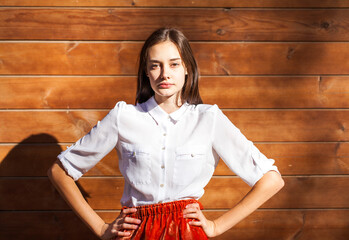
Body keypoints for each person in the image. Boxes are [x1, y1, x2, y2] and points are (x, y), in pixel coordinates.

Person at [48, 28, 284, 240]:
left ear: (187, 68)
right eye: (155, 65)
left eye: (174, 64)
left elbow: (271, 180)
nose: (164, 74)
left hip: (187, 233)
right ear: (146, 72)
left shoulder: (208, 118)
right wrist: (101, 228)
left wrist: (216, 226)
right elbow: (60, 172)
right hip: (136, 233)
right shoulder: (124, 116)